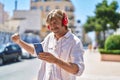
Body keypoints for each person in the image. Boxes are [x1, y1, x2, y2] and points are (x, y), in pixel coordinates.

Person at [11, 9, 85, 80]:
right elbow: (34, 51)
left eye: (55, 23)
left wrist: (56, 60)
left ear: (64, 22)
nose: (52, 27)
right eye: (50, 24)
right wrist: (19, 41)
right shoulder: (49, 37)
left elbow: (77, 70)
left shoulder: (75, 42)